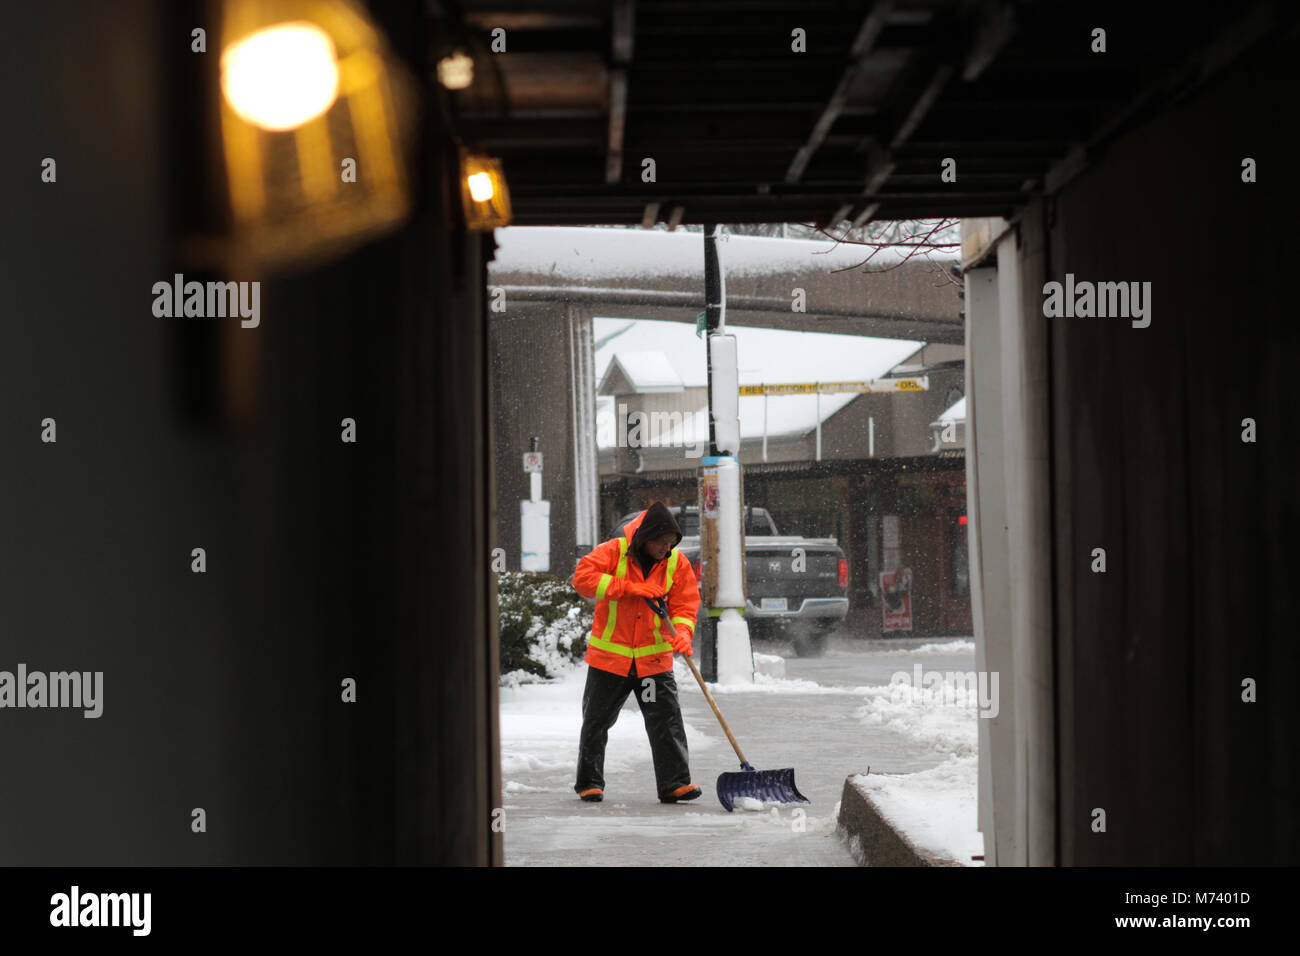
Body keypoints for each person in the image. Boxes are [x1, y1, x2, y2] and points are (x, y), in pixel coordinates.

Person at [570, 501, 702, 804]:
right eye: (662, 543)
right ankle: (589, 783)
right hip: (610, 659)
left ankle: (675, 784)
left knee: (666, 723)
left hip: (652, 661)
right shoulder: (613, 551)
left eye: (672, 544)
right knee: (597, 722)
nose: (667, 550)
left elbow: (684, 605)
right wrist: (628, 588)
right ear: (646, 538)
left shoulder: (676, 563)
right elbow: (583, 579)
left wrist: (682, 633)